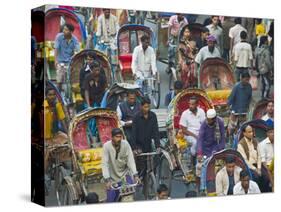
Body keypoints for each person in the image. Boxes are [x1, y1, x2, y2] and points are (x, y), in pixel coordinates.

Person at [102, 128, 140, 202]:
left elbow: (130, 160)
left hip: (125, 176)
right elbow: (104, 163)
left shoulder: (125, 144)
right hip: (112, 178)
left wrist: (135, 175)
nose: (119, 139)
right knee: (110, 201)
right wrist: (107, 179)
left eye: (120, 137)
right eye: (117, 137)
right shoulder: (106, 146)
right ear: (112, 137)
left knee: (130, 196)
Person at [54, 23, 80, 92]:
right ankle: (58, 92)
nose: (64, 31)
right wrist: (55, 61)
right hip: (60, 61)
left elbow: (77, 51)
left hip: (70, 61)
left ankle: (71, 93)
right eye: (64, 29)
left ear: (71, 32)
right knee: (59, 77)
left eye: (66, 30)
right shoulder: (59, 37)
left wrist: (75, 54)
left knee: (73, 78)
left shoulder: (75, 40)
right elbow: (56, 49)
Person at [237, 125, 264, 189]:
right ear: (244, 133)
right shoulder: (241, 144)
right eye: (249, 132)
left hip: (257, 165)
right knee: (256, 177)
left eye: (252, 131)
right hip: (249, 167)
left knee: (266, 176)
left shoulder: (255, 141)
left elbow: (259, 156)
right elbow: (245, 160)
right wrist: (255, 169)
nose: (251, 133)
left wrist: (259, 168)